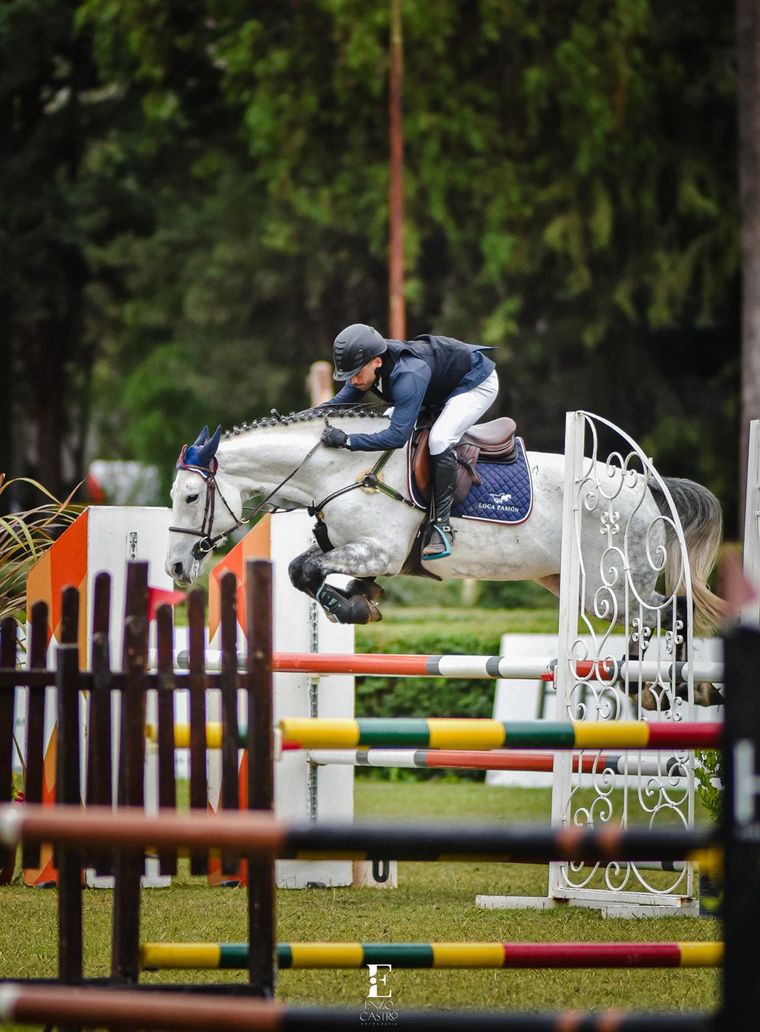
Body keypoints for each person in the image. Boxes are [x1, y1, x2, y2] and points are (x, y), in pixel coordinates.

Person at [320, 323, 498, 559]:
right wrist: (292, 421)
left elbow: (397, 437)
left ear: (376, 362)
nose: (351, 381)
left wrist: (347, 441)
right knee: (382, 423)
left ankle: (442, 525)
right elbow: (334, 406)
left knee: (440, 439)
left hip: (475, 384)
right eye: (347, 375)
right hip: (438, 387)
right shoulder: (369, 368)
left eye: (355, 373)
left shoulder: (408, 375)